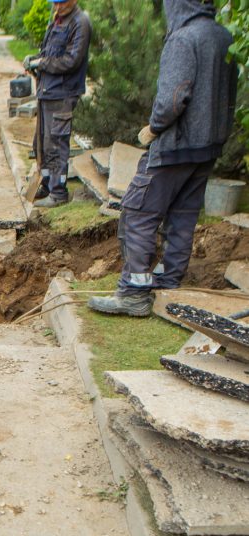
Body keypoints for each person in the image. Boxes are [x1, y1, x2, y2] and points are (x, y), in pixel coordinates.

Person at [88, 0, 236, 317]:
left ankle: (134, 292)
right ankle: (167, 283)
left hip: (175, 145)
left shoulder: (184, 38)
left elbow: (173, 97)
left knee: (138, 211)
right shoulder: (222, 35)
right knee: (182, 216)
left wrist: (155, 128)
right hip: (207, 146)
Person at [24, 0, 91, 207]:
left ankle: (58, 193)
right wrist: (34, 59)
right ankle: (46, 184)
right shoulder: (57, 20)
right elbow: (49, 53)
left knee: (56, 143)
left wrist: (42, 64)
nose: (57, 7)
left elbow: (72, 60)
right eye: (55, 3)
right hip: (47, 91)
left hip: (63, 93)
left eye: (62, 3)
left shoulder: (80, 22)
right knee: (42, 143)